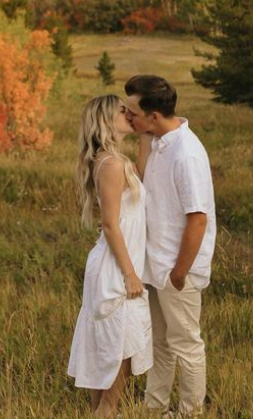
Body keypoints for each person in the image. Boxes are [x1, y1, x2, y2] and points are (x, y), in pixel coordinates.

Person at [124, 75, 216, 418]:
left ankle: (190, 413)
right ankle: (155, 408)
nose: (128, 116)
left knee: (187, 345)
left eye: (133, 112)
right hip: (156, 264)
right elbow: (144, 178)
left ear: (154, 115)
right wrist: (143, 138)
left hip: (178, 269)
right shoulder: (160, 141)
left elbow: (198, 218)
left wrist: (180, 272)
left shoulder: (186, 153)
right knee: (160, 344)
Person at [68, 94, 153, 418]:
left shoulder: (114, 161)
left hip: (115, 260)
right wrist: (131, 273)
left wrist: (145, 133)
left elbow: (139, 181)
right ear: (106, 119)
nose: (129, 114)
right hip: (116, 264)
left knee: (109, 340)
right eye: (122, 111)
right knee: (119, 342)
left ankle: (101, 410)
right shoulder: (113, 164)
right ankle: (106, 410)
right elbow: (110, 224)